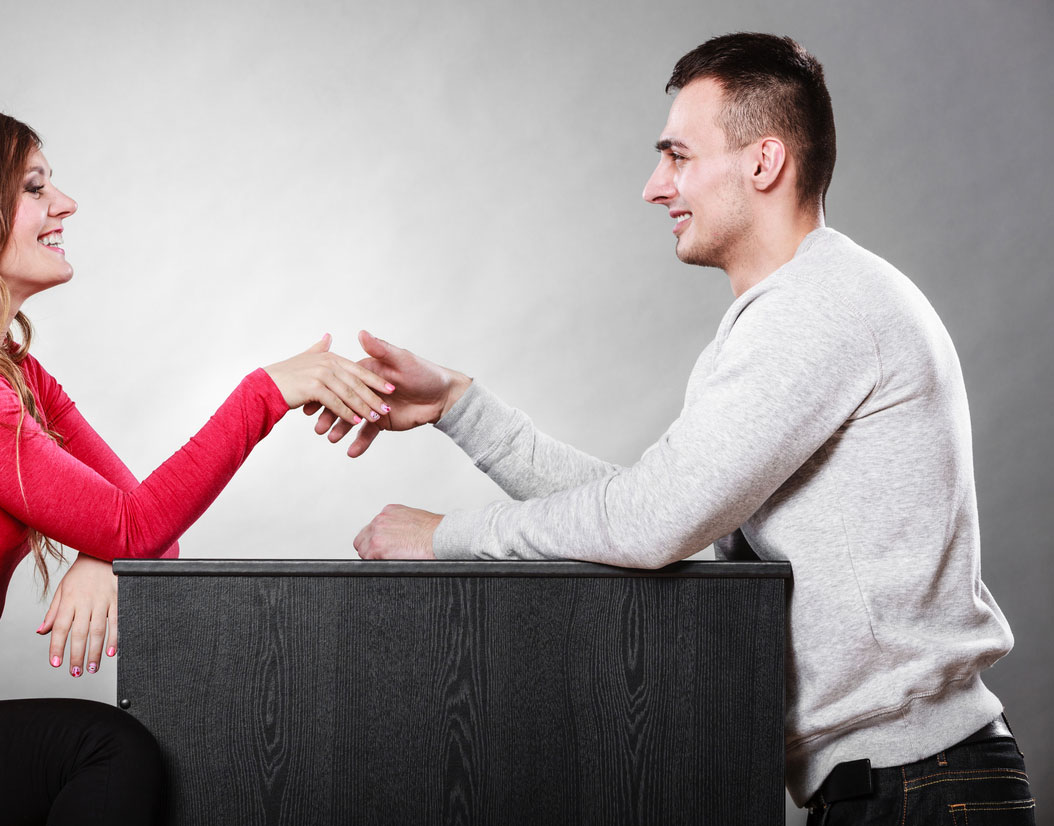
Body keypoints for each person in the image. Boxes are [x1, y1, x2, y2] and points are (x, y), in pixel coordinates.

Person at [316, 34, 1036, 823]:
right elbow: (659, 512)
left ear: (763, 163)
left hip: (919, 787)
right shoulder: (795, 310)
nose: (655, 186)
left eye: (679, 156)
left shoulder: (817, 311)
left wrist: (445, 536)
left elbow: (650, 522)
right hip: (904, 782)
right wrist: (459, 406)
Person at [0, 108, 393, 825]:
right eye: (34, 187)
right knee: (104, 749)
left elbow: (150, 535)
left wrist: (101, 551)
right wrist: (265, 393)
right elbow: (136, 526)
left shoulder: (11, 374)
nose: (65, 203)